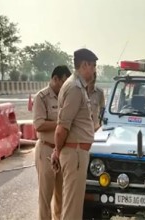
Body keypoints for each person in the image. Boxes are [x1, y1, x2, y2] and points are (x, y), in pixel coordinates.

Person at [51, 48, 98, 220]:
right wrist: (57, 151)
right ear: (84, 64)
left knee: (72, 206)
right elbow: (62, 127)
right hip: (75, 154)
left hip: (75, 153)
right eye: (92, 66)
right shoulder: (75, 88)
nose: (94, 70)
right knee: (72, 209)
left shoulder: (76, 86)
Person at [33, 65, 71, 220]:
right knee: (45, 196)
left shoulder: (66, 97)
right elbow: (39, 124)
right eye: (64, 81)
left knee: (61, 196)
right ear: (55, 79)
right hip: (46, 150)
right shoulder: (41, 97)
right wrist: (62, 123)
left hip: (62, 151)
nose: (66, 85)